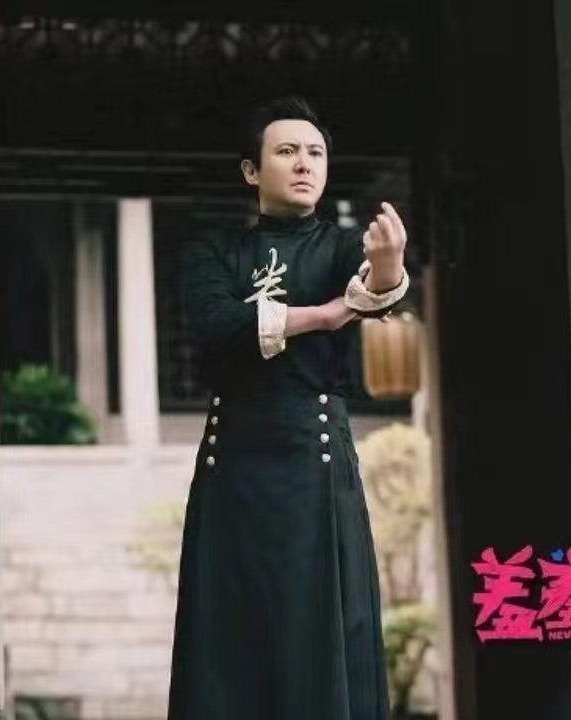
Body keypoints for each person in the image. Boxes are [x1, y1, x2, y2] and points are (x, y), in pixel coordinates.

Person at [166, 96, 409, 720]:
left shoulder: (343, 246)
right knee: (227, 637)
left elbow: (371, 291)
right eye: (287, 151)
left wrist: (387, 272)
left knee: (317, 629)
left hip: (314, 461)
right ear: (252, 170)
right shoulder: (214, 249)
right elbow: (216, 323)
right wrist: (322, 316)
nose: (305, 164)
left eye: (316, 153)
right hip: (232, 468)